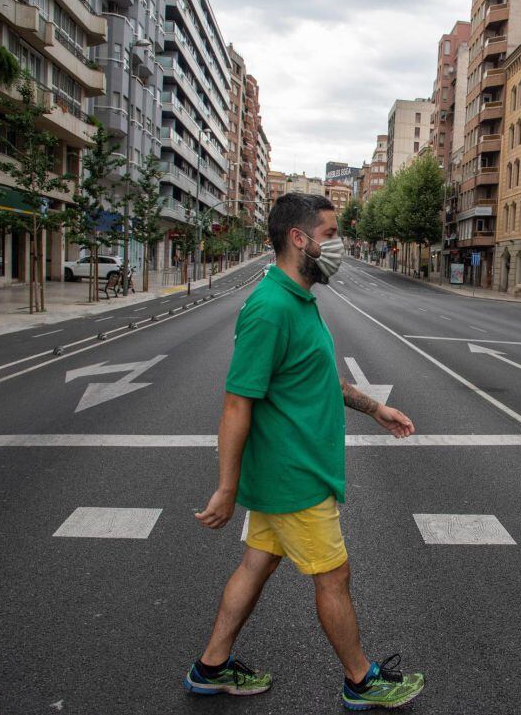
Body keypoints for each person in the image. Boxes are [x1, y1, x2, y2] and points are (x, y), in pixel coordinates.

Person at [186, 193, 425, 710]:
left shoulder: (298, 300)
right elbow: (236, 402)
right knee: (333, 575)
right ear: (300, 238)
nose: (337, 245)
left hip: (289, 471)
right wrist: (227, 488)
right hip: (292, 473)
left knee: (257, 565)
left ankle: (211, 665)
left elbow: (314, 377)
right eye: (330, 234)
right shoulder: (270, 308)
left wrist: (374, 408)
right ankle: (361, 681)